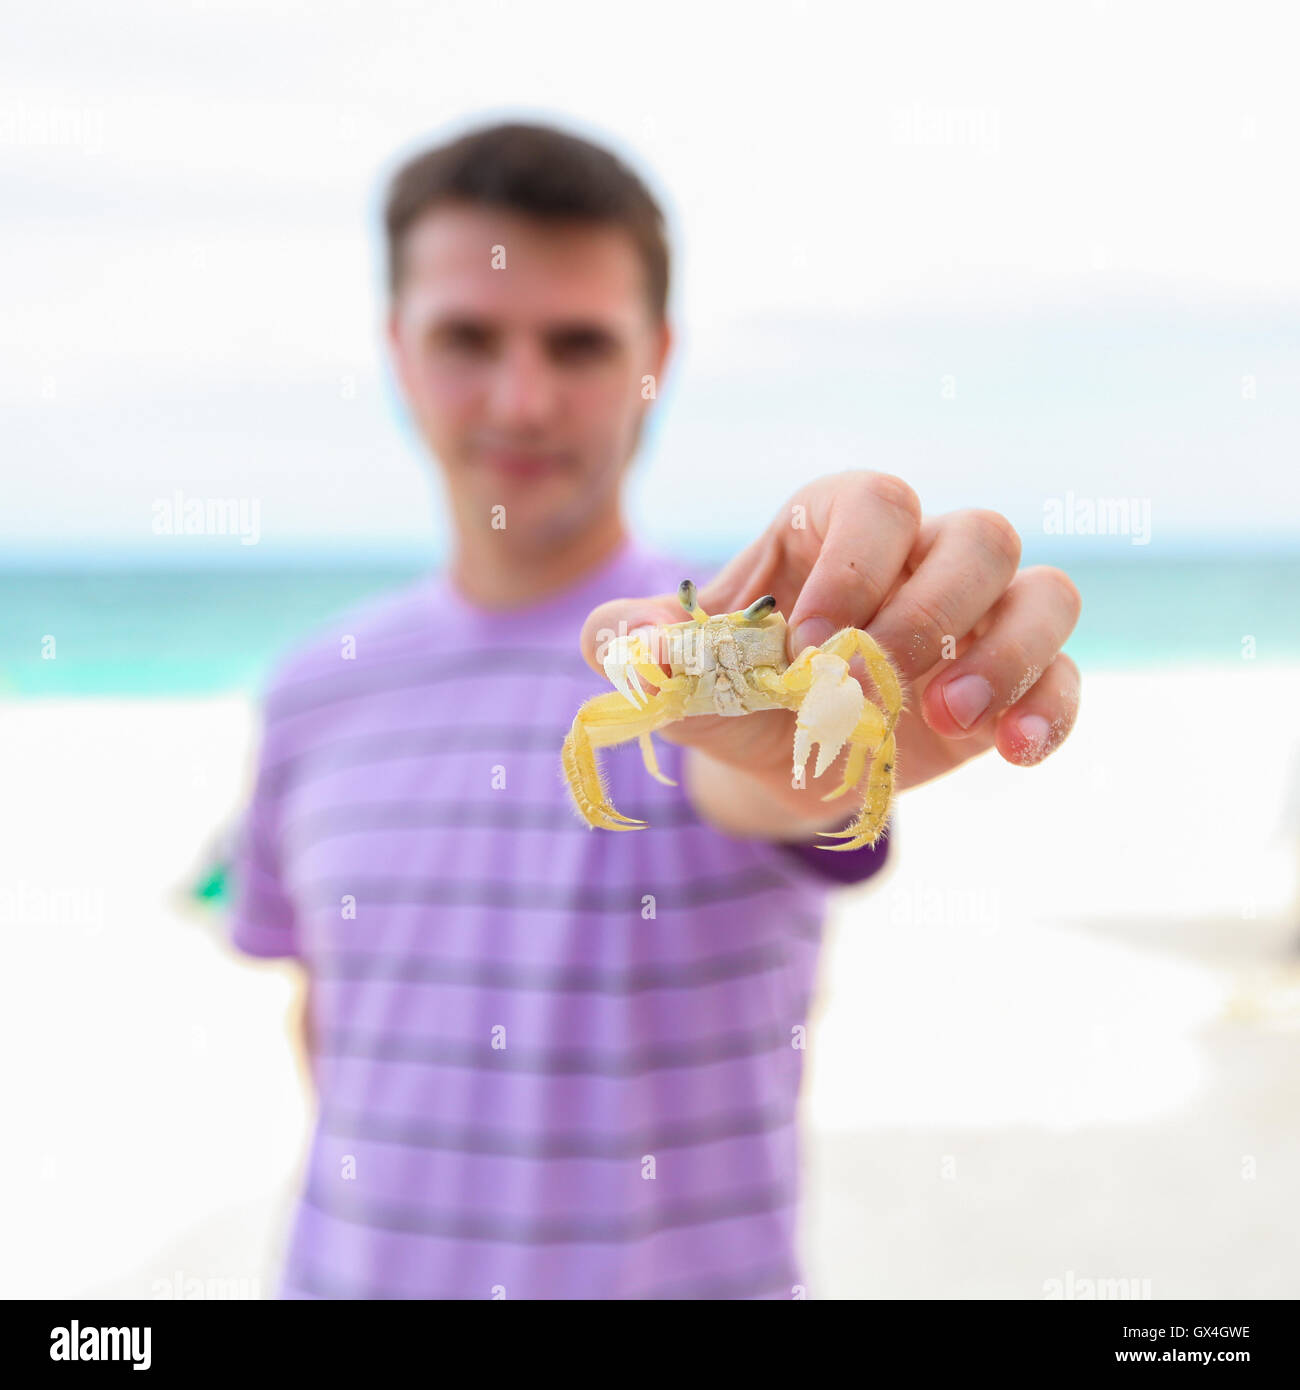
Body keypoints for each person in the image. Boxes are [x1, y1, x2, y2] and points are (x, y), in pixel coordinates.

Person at [228, 121, 1082, 1299]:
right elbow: (329, 1019)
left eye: (578, 344)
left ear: (656, 356)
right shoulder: (310, 687)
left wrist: (826, 740)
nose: (522, 400)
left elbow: (765, 778)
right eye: (468, 336)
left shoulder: (730, 638)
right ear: (396, 347)